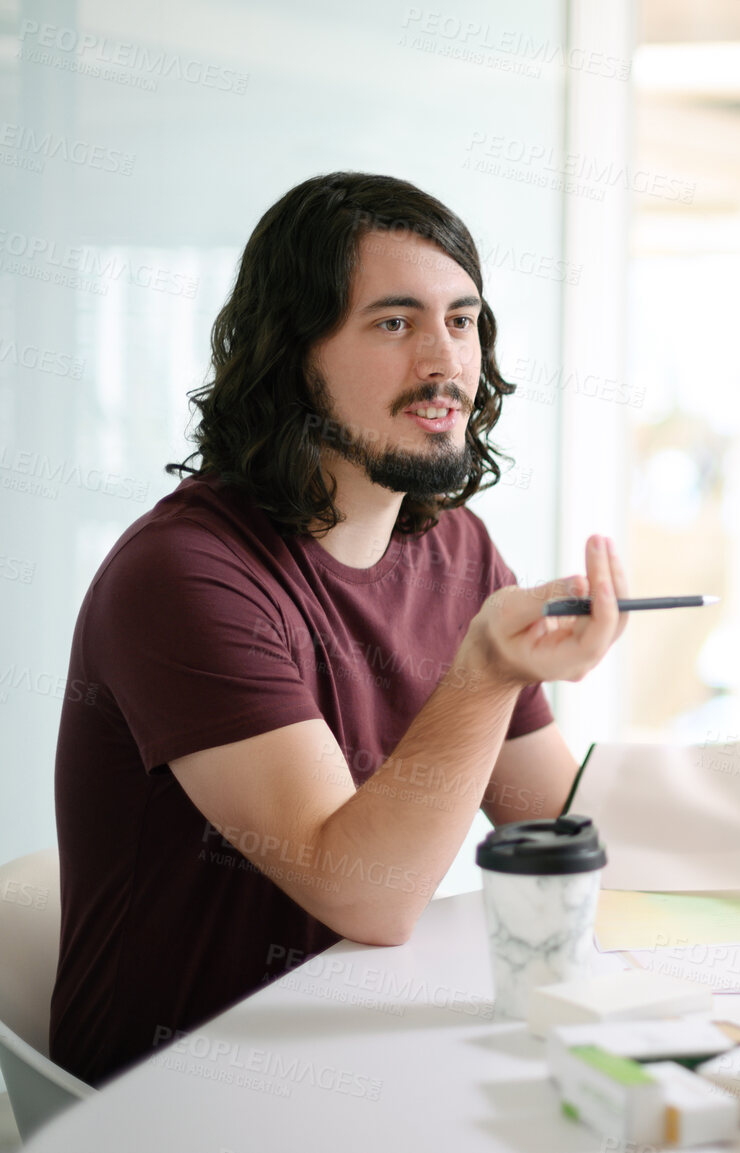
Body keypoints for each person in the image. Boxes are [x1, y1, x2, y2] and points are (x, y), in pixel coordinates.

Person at [50, 173, 630, 1087]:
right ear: (292, 354)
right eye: (395, 323)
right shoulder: (185, 575)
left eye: (463, 320)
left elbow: (559, 820)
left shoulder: (458, 549)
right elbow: (365, 893)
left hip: (358, 1050)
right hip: (178, 1097)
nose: (445, 363)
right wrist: (480, 674)